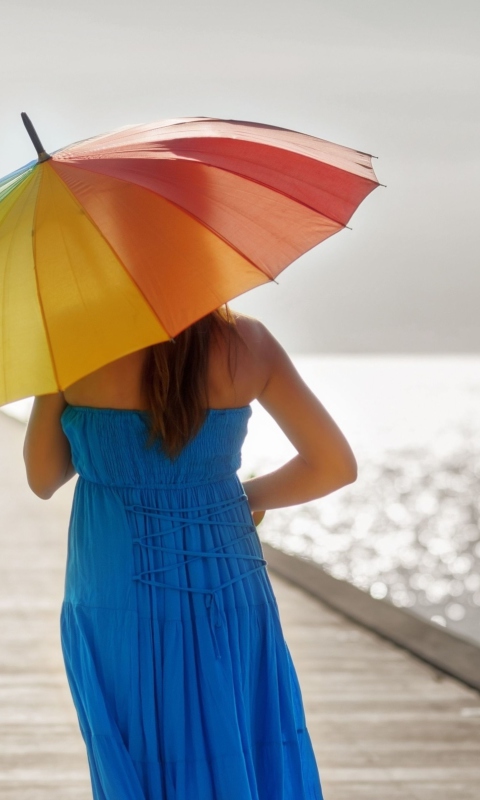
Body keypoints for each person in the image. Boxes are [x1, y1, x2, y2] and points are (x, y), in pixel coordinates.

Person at [23, 305, 357, 799]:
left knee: (134, 763)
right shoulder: (249, 343)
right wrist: (244, 500)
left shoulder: (72, 344)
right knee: (241, 741)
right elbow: (333, 465)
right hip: (230, 582)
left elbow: (43, 477)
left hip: (115, 594)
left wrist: (56, 377)